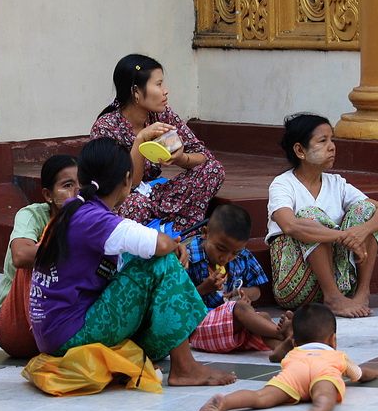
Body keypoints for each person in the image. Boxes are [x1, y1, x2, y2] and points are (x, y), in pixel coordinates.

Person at [29, 137, 236, 387]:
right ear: (127, 180)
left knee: (144, 258)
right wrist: (172, 246)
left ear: (82, 180)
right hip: (69, 336)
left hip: (55, 334)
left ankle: (146, 358)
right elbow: (160, 245)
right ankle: (185, 367)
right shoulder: (93, 219)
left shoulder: (76, 209)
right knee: (161, 262)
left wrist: (167, 244)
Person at [267, 113, 378, 318]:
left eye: (332, 140)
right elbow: (290, 225)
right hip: (296, 285)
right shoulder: (283, 184)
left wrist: (360, 232)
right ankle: (332, 297)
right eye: (323, 141)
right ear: (300, 150)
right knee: (310, 215)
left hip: (342, 281)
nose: (332, 147)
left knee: (367, 210)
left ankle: (362, 293)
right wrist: (341, 236)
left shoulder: (337, 183)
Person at [90, 54, 224, 233]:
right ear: (136, 91)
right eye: (159, 84)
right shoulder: (106, 127)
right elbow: (130, 184)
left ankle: (179, 228)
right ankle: (174, 224)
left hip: (154, 193)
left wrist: (181, 158)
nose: (165, 91)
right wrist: (140, 140)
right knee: (136, 204)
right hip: (123, 198)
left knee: (214, 170)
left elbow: (203, 156)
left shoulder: (162, 115)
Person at [198, 303, 378, 411]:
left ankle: (226, 402)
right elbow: (359, 374)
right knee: (325, 392)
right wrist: (376, 372)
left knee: (261, 397)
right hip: (323, 371)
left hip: (295, 374)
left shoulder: (294, 352)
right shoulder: (336, 355)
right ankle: (319, 407)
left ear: (295, 341)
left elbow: (276, 356)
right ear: (333, 340)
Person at [0, 155, 78, 358]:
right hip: (18, 328)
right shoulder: (33, 214)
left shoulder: (92, 216)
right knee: (40, 253)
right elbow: (21, 255)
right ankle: (50, 342)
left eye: (83, 185)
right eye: (68, 185)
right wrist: (79, 251)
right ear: (48, 195)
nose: (77, 192)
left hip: (66, 321)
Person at [185, 204, 290, 357]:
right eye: (220, 249)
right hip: (199, 328)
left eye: (234, 253)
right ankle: (283, 333)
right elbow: (178, 300)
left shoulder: (243, 256)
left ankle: (279, 347)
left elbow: (256, 291)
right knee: (241, 309)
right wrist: (204, 288)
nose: (225, 258)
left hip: (230, 328)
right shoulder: (187, 258)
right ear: (205, 233)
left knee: (262, 317)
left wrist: (242, 293)